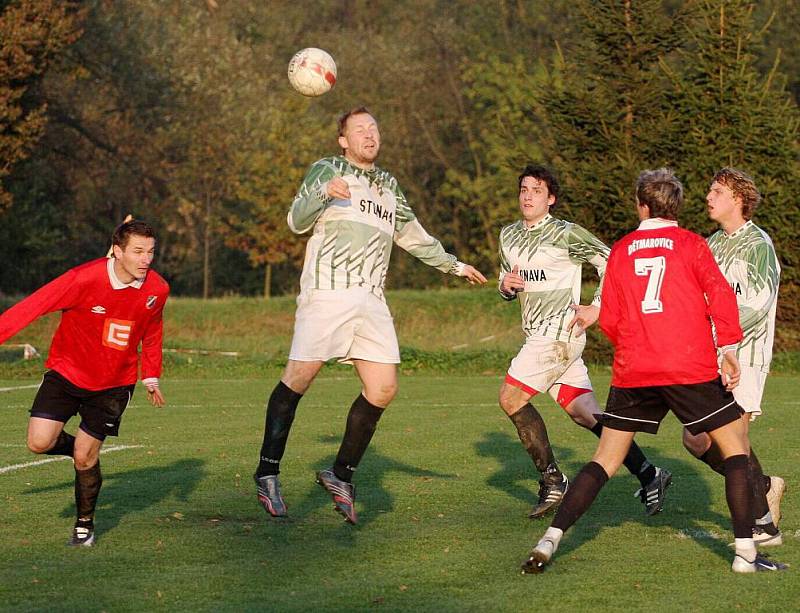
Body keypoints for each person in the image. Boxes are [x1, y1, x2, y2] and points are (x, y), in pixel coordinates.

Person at [523, 168, 786, 574]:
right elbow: (720, 298)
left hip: (636, 369)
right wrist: (727, 347)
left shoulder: (624, 248)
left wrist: (633, 345)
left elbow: (610, 318)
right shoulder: (694, 244)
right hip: (688, 365)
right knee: (735, 449)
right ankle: (747, 554)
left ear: (641, 205)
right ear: (676, 205)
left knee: (604, 460)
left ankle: (548, 541)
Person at [254, 107, 486, 524]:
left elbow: (413, 236)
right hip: (328, 293)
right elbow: (295, 221)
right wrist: (325, 191)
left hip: (372, 299)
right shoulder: (327, 168)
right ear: (343, 140)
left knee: (383, 388)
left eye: (374, 128)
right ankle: (267, 473)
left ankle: (340, 474)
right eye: (359, 130)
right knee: (299, 377)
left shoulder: (388, 185)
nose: (369, 134)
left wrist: (454, 264)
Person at [498, 164, 670, 519]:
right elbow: (509, 278)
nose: (528, 196)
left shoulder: (566, 233)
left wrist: (597, 307)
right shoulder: (509, 235)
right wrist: (505, 287)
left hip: (558, 335)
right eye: (524, 189)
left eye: (537, 190)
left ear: (551, 199)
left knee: (511, 397)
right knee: (585, 414)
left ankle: (552, 480)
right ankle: (650, 474)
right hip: (540, 336)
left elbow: (612, 261)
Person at [0, 220, 169, 547]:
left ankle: (84, 524)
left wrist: (150, 374)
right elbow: (32, 306)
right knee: (39, 442)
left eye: (150, 251)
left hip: (114, 384)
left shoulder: (157, 289)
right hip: (66, 373)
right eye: (138, 251)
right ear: (117, 252)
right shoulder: (81, 279)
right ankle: (82, 449)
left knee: (84, 457)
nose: (146, 259)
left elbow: (153, 331)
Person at [682, 168, 784, 546]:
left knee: (733, 440)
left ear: (738, 199)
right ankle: (763, 487)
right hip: (712, 355)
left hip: (746, 355)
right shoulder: (709, 245)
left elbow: (757, 305)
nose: (709, 195)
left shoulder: (759, 245)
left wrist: (720, 337)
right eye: (710, 188)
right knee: (695, 439)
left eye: (718, 190)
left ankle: (763, 526)